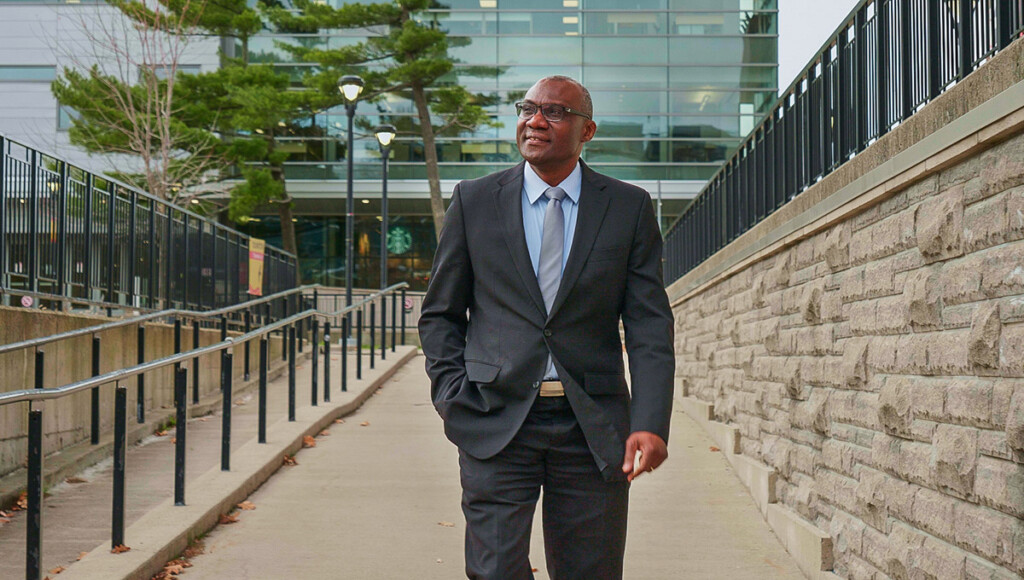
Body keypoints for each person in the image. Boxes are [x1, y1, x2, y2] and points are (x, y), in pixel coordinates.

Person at [418, 75, 675, 580]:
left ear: (587, 131)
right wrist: (452, 394)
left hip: (592, 426)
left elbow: (648, 324)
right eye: (528, 108)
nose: (535, 121)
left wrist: (649, 421)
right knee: (494, 570)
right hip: (494, 418)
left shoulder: (627, 207)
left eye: (554, 112)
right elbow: (440, 313)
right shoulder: (474, 201)